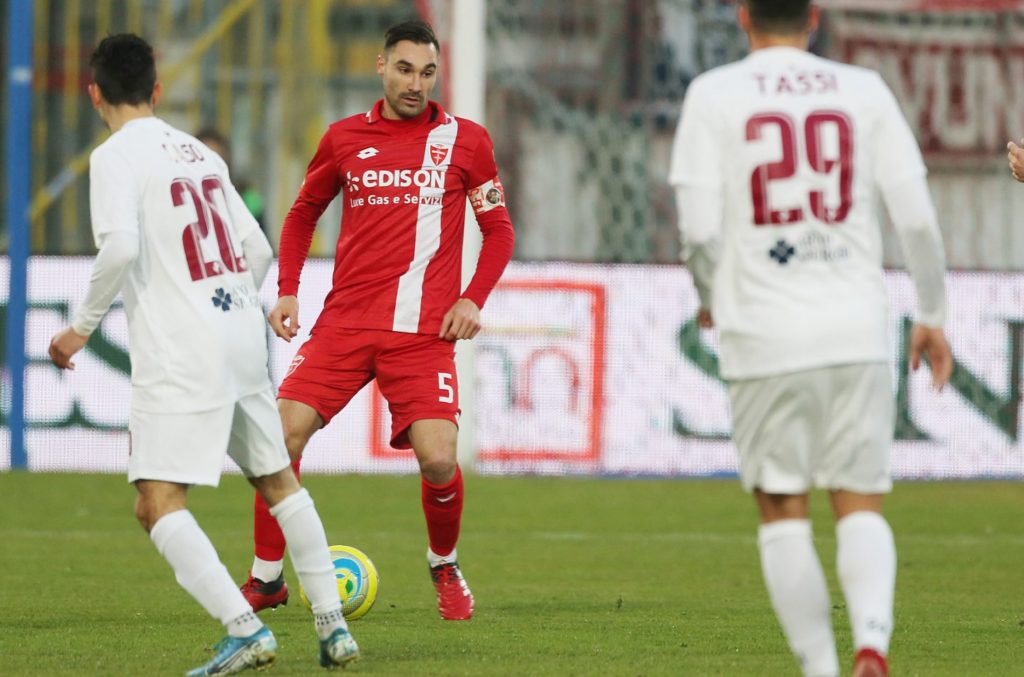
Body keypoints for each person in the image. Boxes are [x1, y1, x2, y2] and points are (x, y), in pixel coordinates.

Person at [47, 34, 359, 674]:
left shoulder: (113, 157)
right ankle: (333, 628)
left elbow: (120, 248)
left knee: (156, 501)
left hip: (181, 351)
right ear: (157, 91)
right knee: (279, 481)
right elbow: (259, 250)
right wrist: (229, 303)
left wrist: (79, 329)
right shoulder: (200, 153)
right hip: (241, 335)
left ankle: (246, 630)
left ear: (95, 94)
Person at [669, 2, 951, 676]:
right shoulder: (864, 89)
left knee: (783, 509)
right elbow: (916, 218)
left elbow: (700, 230)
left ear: (743, 17)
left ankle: (821, 668)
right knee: (859, 500)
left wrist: (711, 298)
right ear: (814, 17)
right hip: (857, 327)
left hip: (764, 331)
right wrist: (932, 312)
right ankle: (872, 645)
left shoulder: (713, 94)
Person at [239, 19, 515, 622]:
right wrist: (287, 291)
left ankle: (444, 564)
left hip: (423, 334)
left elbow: (498, 230)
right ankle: (266, 579)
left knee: (439, 458)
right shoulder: (343, 138)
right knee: (279, 438)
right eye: (405, 69)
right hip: (345, 324)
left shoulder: (466, 141)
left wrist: (472, 298)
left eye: (428, 72)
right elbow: (301, 214)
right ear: (381, 66)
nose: (416, 84)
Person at [195, 127, 267, 230]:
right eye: (204, 160)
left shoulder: (248, 197)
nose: (210, 167)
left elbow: (260, 235)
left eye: (216, 159)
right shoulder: (188, 199)